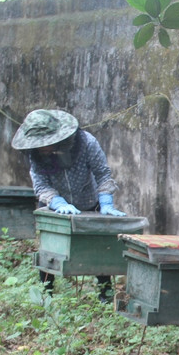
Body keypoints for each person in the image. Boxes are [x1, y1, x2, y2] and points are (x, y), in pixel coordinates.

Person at [11, 109, 127, 303]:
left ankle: (105, 295)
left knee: (98, 249)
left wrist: (106, 201)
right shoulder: (35, 155)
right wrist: (56, 202)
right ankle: (46, 295)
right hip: (54, 205)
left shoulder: (87, 143)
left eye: (46, 145)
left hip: (89, 202)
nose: (43, 149)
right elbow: (41, 184)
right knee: (49, 251)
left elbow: (102, 173)